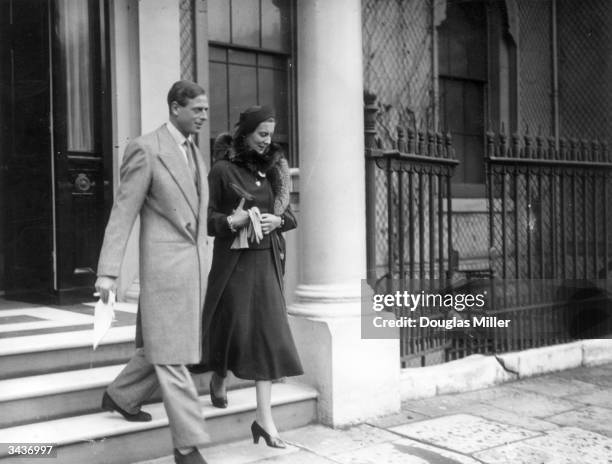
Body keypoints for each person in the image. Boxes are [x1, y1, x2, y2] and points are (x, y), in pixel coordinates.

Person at [95, 80, 210, 464]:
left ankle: (121, 395)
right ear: (175, 108)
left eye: (205, 110)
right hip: (164, 274)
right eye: (197, 109)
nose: (203, 116)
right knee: (174, 358)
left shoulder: (194, 152)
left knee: (161, 347)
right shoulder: (146, 149)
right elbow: (123, 211)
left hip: (191, 273)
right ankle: (187, 448)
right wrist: (108, 272)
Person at [190, 105, 303, 448]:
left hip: (265, 261)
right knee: (231, 328)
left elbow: (290, 216)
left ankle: (264, 420)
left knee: (267, 335)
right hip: (234, 264)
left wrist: (277, 221)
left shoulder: (272, 172)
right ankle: (220, 375)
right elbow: (207, 221)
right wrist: (232, 221)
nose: (268, 142)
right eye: (262, 135)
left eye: (271, 135)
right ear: (245, 133)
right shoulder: (222, 170)